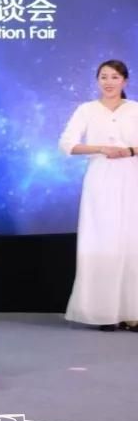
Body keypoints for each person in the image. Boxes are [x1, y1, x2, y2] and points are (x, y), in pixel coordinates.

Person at [58, 59, 138, 331]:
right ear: (97, 80)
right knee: (102, 241)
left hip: (132, 177)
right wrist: (101, 148)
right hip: (100, 179)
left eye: (114, 77)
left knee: (131, 241)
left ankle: (132, 312)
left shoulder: (135, 109)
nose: (108, 82)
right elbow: (67, 144)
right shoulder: (86, 110)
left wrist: (130, 151)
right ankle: (104, 312)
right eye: (103, 76)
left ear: (125, 81)